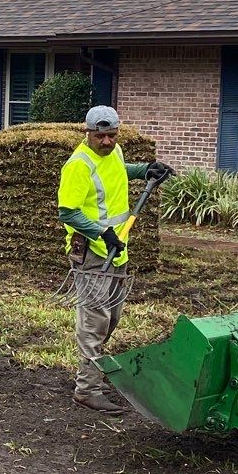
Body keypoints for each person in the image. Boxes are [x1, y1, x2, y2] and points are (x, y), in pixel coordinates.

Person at [57, 106, 171, 413]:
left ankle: (92, 373)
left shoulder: (114, 151)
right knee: (94, 323)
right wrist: (101, 233)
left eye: (111, 135)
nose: (107, 142)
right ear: (88, 133)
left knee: (112, 318)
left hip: (117, 250)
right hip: (94, 253)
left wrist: (145, 170)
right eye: (100, 136)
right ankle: (87, 389)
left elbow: (119, 170)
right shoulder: (78, 166)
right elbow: (67, 211)